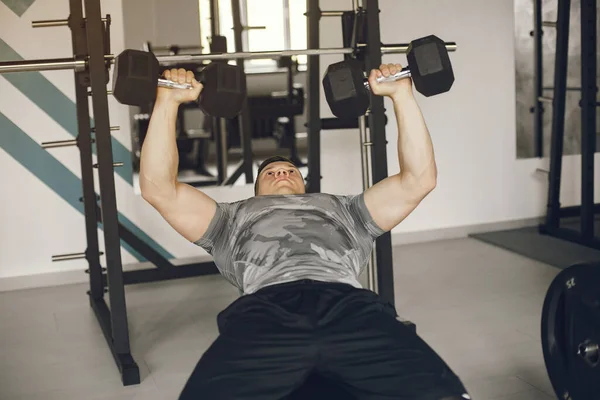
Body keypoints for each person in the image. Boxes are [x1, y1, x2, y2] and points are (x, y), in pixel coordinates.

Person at [140, 64, 471, 400]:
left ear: (305, 184)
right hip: (267, 311)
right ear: (255, 193)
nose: (282, 171)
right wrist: (167, 101)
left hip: (349, 306)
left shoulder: (344, 208)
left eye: (289, 169)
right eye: (271, 172)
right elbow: (159, 190)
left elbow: (419, 180)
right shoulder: (229, 219)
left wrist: (402, 94)